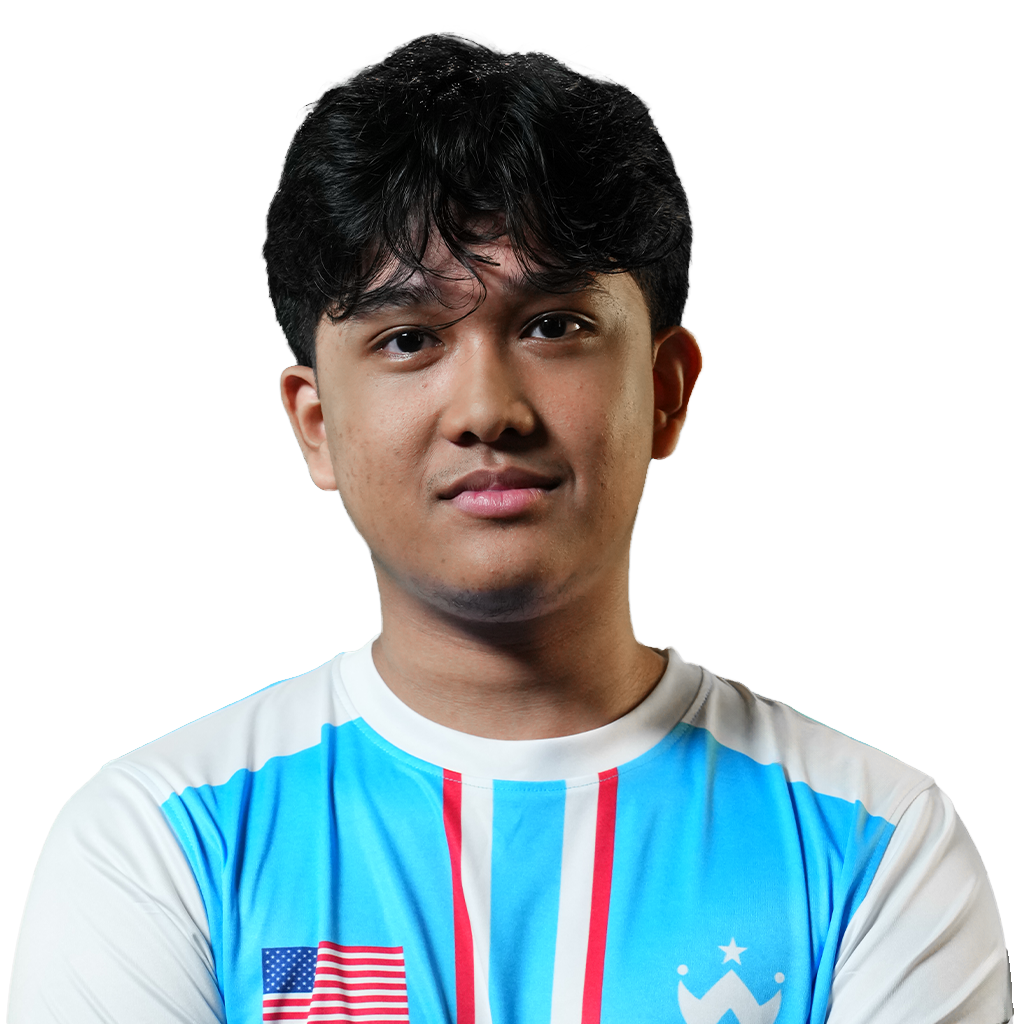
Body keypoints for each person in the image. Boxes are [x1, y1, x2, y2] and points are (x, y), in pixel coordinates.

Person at [8, 29, 1010, 1024]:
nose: (487, 409)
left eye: (552, 326)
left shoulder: (877, 852)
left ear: (665, 390)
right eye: (409, 338)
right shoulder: (158, 846)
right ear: (316, 425)